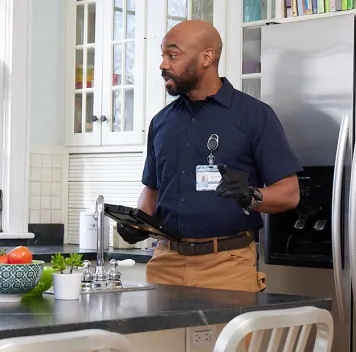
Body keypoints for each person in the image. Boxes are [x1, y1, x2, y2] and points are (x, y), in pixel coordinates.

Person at [118, 20, 302, 292]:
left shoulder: (255, 116)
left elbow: (289, 194)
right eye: (163, 56)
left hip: (227, 265)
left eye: (173, 55)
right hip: (165, 264)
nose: (163, 65)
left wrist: (251, 195)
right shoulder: (161, 122)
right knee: (159, 337)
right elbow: (151, 194)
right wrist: (136, 224)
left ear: (207, 57)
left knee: (227, 337)